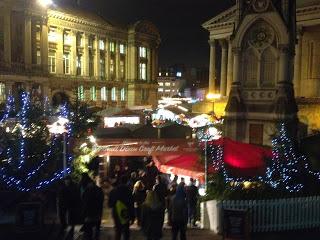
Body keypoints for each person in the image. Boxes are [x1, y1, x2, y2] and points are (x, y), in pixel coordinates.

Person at [108, 175, 135, 240]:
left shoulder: (114, 190)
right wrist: (133, 216)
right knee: (126, 231)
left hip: (116, 212)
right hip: (126, 213)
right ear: (126, 181)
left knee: (118, 231)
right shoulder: (129, 191)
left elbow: (110, 204)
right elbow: (131, 204)